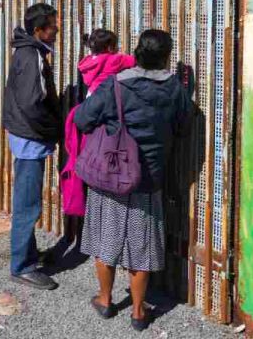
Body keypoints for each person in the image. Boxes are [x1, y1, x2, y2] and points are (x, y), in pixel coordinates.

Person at [74, 29, 192, 332]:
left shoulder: (116, 84)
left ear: (138, 52)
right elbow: (183, 127)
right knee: (142, 246)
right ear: (166, 56)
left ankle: (105, 299)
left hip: (111, 175)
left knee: (105, 238)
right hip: (149, 179)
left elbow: (82, 119)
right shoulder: (175, 89)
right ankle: (139, 312)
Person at [1, 3, 62, 290]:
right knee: (28, 204)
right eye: (52, 25)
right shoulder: (31, 56)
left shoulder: (28, 51)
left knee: (27, 200)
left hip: (25, 134)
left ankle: (27, 254)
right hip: (30, 138)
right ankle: (22, 266)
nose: (57, 29)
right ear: (39, 30)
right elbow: (31, 104)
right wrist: (53, 129)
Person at [60, 30, 136, 243]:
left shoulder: (87, 63)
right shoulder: (114, 60)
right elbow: (135, 61)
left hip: (90, 101)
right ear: (110, 47)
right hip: (105, 103)